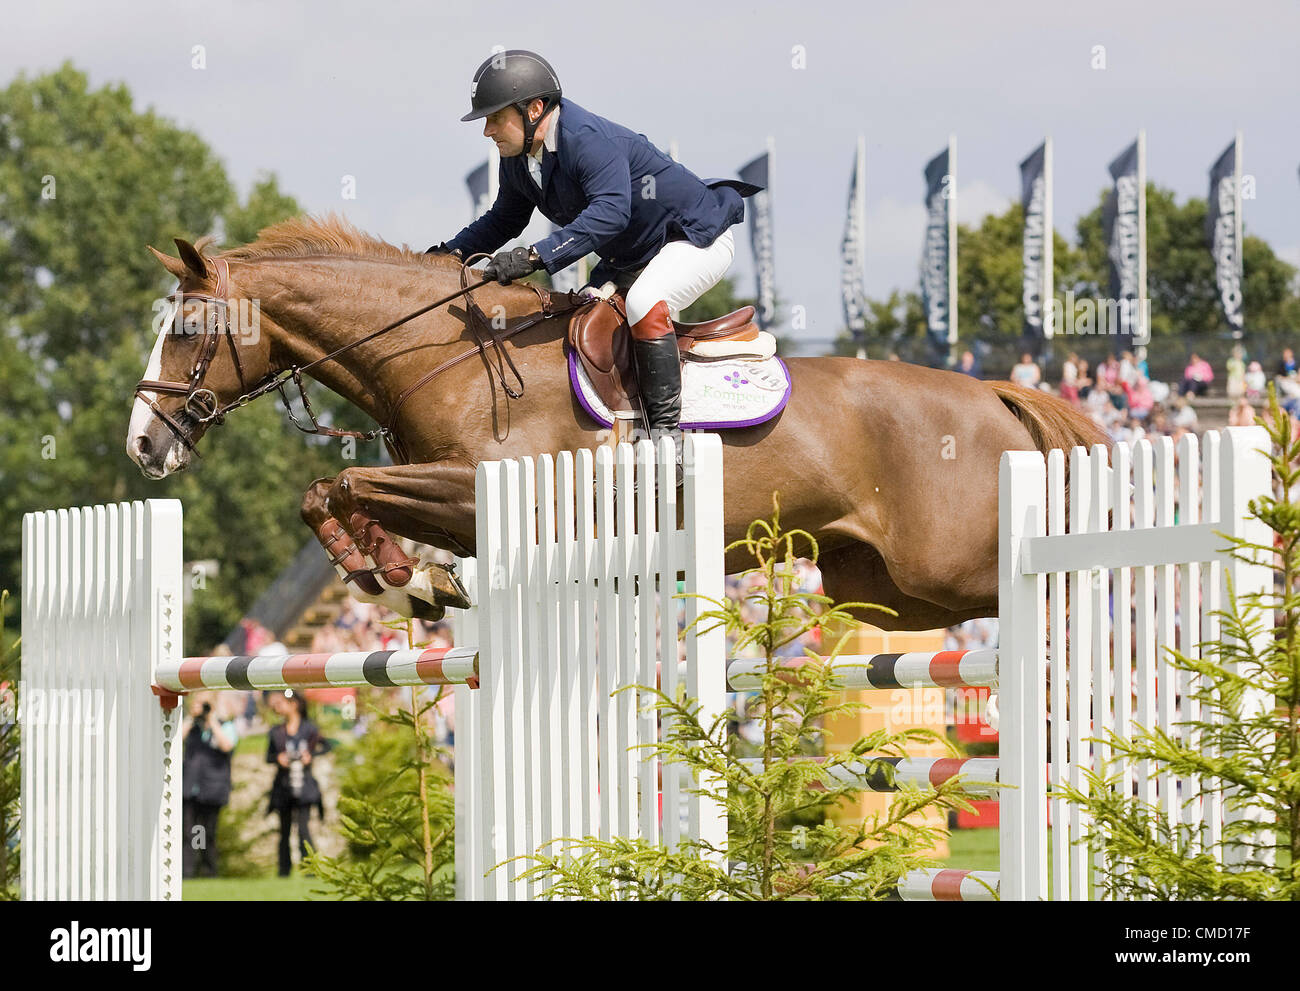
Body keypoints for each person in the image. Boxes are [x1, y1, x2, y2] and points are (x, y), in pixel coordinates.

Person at [430, 50, 762, 482]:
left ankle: (667, 443)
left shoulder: (585, 138)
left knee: (644, 301)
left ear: (534, 109)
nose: (487, 130)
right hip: (634, 255)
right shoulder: (519, 159)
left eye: (494, 118)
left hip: (694, 236)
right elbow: (504, 220)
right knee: (582, 311)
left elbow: (611, 213)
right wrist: (448, 256)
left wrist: (534, 258)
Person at [266, 690, 329, 877]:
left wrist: (311, 756)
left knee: (303, 829)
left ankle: (310, 871)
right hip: (283, 787)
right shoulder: (276, 732)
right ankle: (283, 872)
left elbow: (328, 745)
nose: (278, 706)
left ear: (294, 704)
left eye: (282, 702)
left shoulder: (309, 729)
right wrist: (279, 758)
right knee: (284, 832)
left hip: (305, 787)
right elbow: (268, 757)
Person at [181, 691, 238, 878]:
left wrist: (212, 720)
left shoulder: (225, 726)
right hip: (191, 788)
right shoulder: (192, 727)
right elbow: (174, 741)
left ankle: (208, 871)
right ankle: (188, 872)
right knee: (189, 833)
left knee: (207, 833)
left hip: (212, 789)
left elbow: (227, 746)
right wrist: (191, 718)